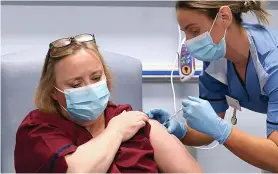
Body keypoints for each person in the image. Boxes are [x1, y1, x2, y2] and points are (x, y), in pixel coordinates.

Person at [147, 1, 278, 173]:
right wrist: (180, 130)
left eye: (194, 31)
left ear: (224, 18)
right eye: (185, 33)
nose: (190, 44)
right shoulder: (216, 60)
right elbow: (209, 128)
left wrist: (222, 130)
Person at [14, 33, 203, 173]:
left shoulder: (135, 123)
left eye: (96, 77)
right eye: (76, 84)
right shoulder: (38, 132)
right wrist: (117, 131)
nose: (89, 88)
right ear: (53, 91)